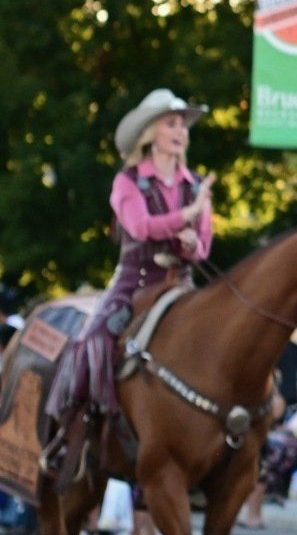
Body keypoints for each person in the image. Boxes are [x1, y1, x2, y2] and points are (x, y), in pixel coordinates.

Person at [50, 88, 214, 441]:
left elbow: (204, 247)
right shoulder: (127, 182)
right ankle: (73, 428)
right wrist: (186, 215)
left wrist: (192, 245)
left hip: (181, 285)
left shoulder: (197, 185)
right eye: (172, 123)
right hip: (134, 283)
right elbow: (140, 227)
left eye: (183, 125)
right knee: (92, 340)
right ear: (151, 132)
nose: (181, 131)